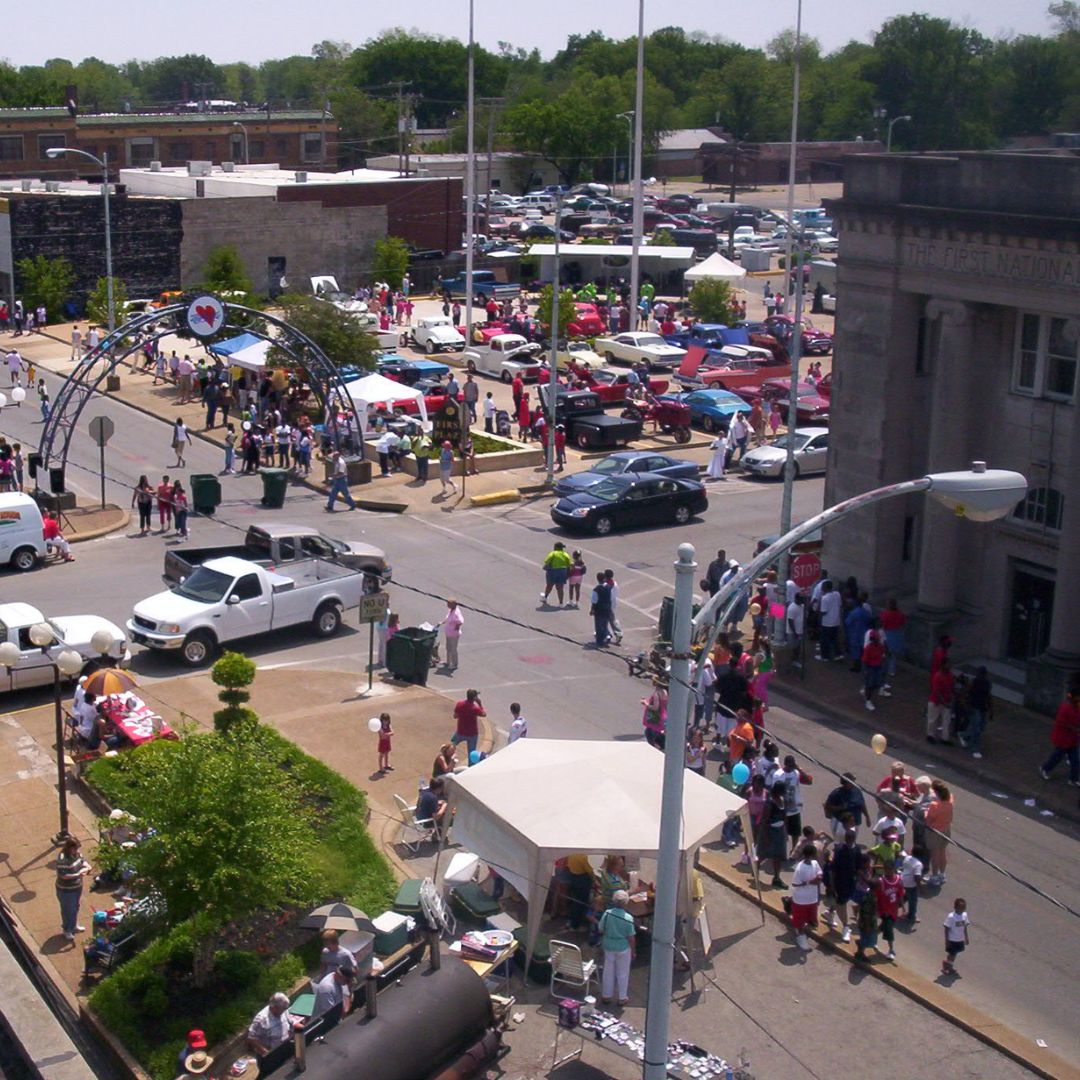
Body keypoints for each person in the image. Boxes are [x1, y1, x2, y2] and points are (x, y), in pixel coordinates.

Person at [824, 829, 863, 942]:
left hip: (851, 881)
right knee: (842, 903)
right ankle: (846, 927)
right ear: (846, 839)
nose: (850, 841)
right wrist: (832, 885)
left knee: (840, 901)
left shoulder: (857, 850)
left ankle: (830, 913)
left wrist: (860, 879)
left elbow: (858, 866)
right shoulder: (840, 850)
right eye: (849, 839)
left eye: (852, 839)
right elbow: (833, 870)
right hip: (840, 882)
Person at [598, 889, 636, 1006]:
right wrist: (633, 951)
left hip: (608, 945)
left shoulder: (607, 913)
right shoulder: (628, 918)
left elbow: (601, 929)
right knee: (623, 972)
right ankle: (622, 997)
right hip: (623, 947)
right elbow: (631, 937)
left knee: (608, 971)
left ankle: (606, 995)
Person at [1039, 688, 1080, 786]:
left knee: (1075, 760)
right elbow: (1061, 722)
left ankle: (1073, 779)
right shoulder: (1065, 708)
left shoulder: (1076, 707)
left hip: (1072, 739)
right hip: (1063, 739)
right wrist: (1075, 729)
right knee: (1057, 757)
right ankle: (1045, 768)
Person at [56, 837, 90, 941]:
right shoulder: (62, 858)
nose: (77, 851)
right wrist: (78, 874)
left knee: (75, 907)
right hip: (66, 889)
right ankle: (67, 930)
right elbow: (63, 875)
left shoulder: (77, 853)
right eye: (75, 848)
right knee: (67, 910)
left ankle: (74, 925)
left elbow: (83, 861)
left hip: (77, 887)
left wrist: (87, 867)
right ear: (69, 848)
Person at [790, 843, 823, 951]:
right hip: (801, 900)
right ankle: (800, 936)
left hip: (812, 898)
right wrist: (809, 882)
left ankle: (803, 930)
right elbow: (795, 884)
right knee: (799, 920)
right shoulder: (800, 868)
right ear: (812, 854)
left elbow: (819, 871)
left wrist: (819, 876)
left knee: (810, 919)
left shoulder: (815, 863)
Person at [823, 773, 871, 839]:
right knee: (839, 841)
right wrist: (840, 807)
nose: (854, 782)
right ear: (845, 783)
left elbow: (862, 804)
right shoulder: (836, 793)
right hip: (840, 823)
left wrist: (867, 817)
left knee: (851, 841)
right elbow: (827, 806)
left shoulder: (857, 791)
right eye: (852, 781)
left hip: (855, 822)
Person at [924, 780, 954, 885]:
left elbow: (928, 820)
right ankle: (942, 874)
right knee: (942, 852)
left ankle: (934, 876)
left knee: (935, 855)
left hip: (935, 831)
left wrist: (925, 812)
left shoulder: (934, 805)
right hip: (946, 829)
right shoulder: (950, 799)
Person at [758, 786, 788, 888]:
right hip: (770, 831)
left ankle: (776, 878)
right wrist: (766, 837)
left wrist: (785, 831)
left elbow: (785, 817)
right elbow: (765, 821)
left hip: (780, 831)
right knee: (763, 854)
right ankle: (755, 871)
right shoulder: (769, 803)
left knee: (778, 856)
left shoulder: (782, 801)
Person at [875, 860, 904, 961]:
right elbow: (876, 897)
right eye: (886, 869)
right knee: (889, 930)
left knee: (883, 927)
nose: (888, 872)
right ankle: (891, 950)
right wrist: (877, 910)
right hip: (884, 911)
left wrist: (903, 908)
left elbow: (900, 895)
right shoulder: (881, 881)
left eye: (890, 869)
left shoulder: (898, 880)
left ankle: (872, 937)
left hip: (893, 910)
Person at [962, 666, 992, 759]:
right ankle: (975, 748)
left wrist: (991, 709)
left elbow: (988, 696)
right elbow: (967, 693)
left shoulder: (987, 684)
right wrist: (967, 705)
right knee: (977, 729)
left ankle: (964, 735)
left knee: (981, 726)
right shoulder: (974, 682)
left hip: (983, 708)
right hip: (974, 707)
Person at [926, 657, 955, 743]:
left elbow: (951, 688)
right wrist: (945, 702)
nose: (949, 666)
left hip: (944, 701)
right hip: (936, 701)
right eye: (947, 664)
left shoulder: (950, 675)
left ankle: (944, 738)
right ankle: (930, 736)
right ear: (943, 665)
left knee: (946, 721)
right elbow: (936, 691)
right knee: (933, 720)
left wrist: (949, 699)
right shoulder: (938, 676)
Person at [942, 897, 970, 975]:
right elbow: (946, 928)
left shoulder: (964, 915)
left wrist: (966, 938)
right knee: (952, 954)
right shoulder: (951, 917)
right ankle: (947, 967)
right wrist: (947, 941)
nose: (962, 909)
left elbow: (965, 927)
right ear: (955, 907)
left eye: (963, 907)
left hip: (960, 939)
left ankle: (948, 964)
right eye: (960, 908)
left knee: (955, 953)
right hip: (952, 940)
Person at [451, 689, 484, 756]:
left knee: (452, 743)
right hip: (472, 734)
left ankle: (449, 756)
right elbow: (483, 714)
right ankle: (471, 765)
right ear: (474, 698)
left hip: (460, 731)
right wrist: (480, 703)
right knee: (471, 753)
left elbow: (455, 716)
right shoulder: (475, 708)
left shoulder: (460, 704)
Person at [816, 581, 842, 661]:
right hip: (836, 621)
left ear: (826, 588)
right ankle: (838, 654)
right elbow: (840, 605)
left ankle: (825, 656)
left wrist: (819, 619)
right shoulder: (837, 594)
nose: (822, 589)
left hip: (827, 623)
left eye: (823, 587)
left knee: (824, 640)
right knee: (835, 639)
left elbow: (823, 611)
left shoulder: (824, 598)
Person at [541, 542, 572, 606]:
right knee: (560, 588)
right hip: (563, 571)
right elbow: (569, 565)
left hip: (553, 571)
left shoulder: (553, 553)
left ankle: (545, 597)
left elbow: (547, 561)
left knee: (549, 585)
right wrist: (568, 574)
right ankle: (561, 603)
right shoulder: (566, 554)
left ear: (555, 547)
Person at [641, 676, 668, 750]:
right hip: (664, 715)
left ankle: (655, 748)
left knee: (650, 734)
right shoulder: (665, 692)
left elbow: (655, 707)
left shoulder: (656, 694)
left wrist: (646, 703)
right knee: (659, 734)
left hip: (656, 718)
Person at [900, 848, 924, 925]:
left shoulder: (907, 858)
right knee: (913, 901)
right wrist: (920, 888)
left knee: (905, 896)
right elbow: (917, 877)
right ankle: (911, 916)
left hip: (902, 880)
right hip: (911, 884)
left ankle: (893, 907)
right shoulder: (918, 864)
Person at [589, 571, 613, 648]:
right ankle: (607, 636)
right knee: (605, 624)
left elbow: (594, 601)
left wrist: (592, 609)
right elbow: (611, 598)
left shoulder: (597, 589)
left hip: (599, 609)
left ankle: (600, 641)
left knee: (599, 625)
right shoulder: (609, 587)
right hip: (607, 608)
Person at [441, 598, 464, 670]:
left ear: (453, 605)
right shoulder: (451, 610)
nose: (447, 605)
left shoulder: (456, 613)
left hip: (453, 634)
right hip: (448, 633)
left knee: (453, 649)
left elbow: (460, 621)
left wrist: (456, 628)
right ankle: (448, 662)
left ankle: (454, 664)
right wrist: (443, 622)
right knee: (448, 648)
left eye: (449, 604)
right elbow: (448, 618)